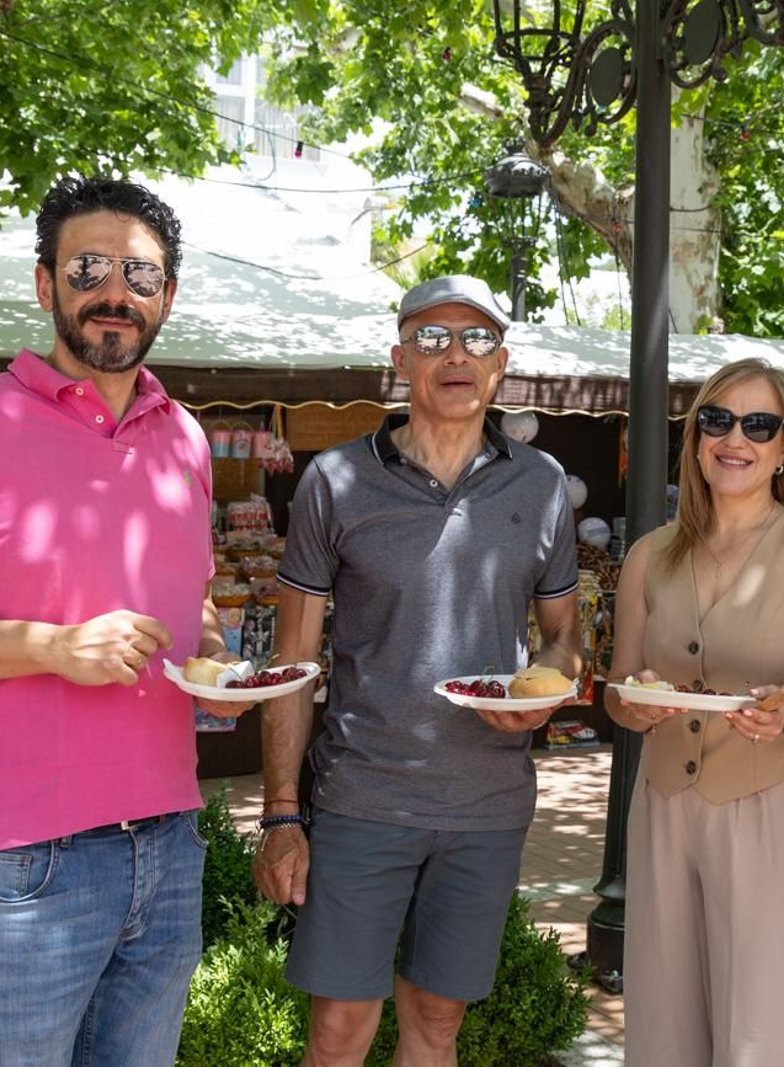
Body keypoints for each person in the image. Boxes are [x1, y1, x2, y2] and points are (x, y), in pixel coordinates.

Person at [0, 176, 250, 1066]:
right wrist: (55, 647)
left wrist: (214, 656)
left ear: (167, 295)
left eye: (139, 275)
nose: (115, 293)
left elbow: (195, 594)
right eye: (89, 268)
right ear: (45, 284)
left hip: (172, 841)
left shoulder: (183, 435)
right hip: (22, 860)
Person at [253, 275, 583, 1066]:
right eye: (433, 338)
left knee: (437, 1023)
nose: (456, 355)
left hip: (488, 801)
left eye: (476, 339)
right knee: (338, 1033)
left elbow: (563, 634)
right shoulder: (334, 479)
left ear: (502, 363)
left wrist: (545, 689)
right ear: (400, 359)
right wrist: (280, 814)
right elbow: (293, 661)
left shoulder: (538, 484)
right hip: (364, 794)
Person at [605, 358, 784, 1065]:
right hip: (664, 801)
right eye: (718, 419)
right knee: (663, 1023)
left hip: (774, 805)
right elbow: (617, 686)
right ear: (696, 434)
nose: (736, 438)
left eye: (760, 424)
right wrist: (632, 704)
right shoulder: (649, 555)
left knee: (760, 1029)